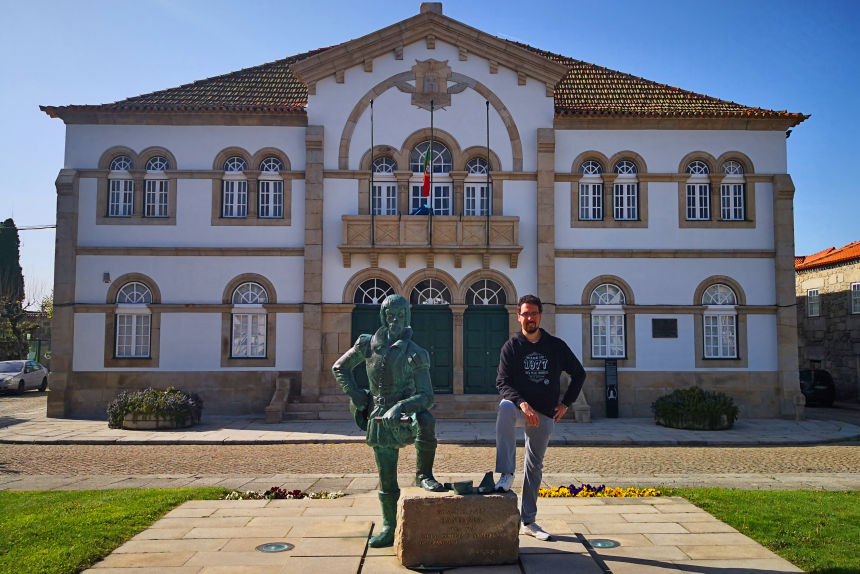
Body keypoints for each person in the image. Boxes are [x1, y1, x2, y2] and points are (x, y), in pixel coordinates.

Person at [332, 294, 444, 548]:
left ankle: (424, 474)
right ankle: (389, 526)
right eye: (391, 315)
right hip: (378, 412)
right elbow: (340, 367)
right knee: (387, 476)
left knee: (426, 420)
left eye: (401, 315)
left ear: (408, 317)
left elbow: (426, 396)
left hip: (405, 409)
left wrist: (401, 407)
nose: (396, 320)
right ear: (383, 316)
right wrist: (357, 395)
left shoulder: (417, 353)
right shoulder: (367, 344)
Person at [494, 294, 586, 541]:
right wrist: (522, 403)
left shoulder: (555, 346)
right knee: (504, 409)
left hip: (544, 413)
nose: (530, 318)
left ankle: (529, 521)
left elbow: (579, 373)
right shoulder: (511, 347)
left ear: (540, 316)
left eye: (534, 313)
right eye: (525, 313)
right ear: (519, 316)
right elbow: (502, 382)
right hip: (520, 409)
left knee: (534, 466)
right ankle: (506, 473)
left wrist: (566, 404)